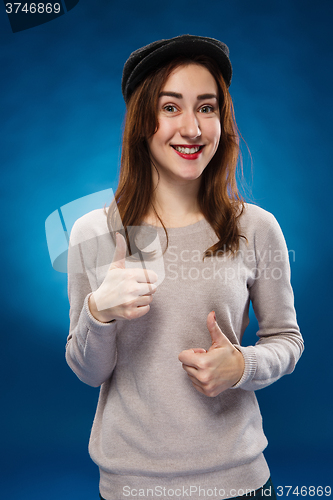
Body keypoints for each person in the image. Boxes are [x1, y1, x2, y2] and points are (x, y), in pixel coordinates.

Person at [65, 35, 304, 500]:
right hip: (131, 485)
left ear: (222, 119)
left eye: (207, 107)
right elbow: (88, 370)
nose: (192, 128)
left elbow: (287, 340)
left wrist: (242, 365)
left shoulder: (256, 227)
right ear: (141, 121)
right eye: (170, 107)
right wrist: (100, 312)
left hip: (240, 482)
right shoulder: (94, 231)